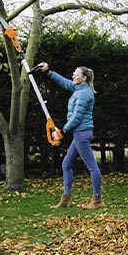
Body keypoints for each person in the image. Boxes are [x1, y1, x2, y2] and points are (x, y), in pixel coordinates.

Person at [35, 62, 102, 209]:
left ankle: (97, 200)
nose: (73, 76)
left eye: (76, 74)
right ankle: (66, 200)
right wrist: (49, 72)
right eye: (73, 74)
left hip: (81, 134)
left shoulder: (84, 94)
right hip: (79, 133)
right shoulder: (79, 88)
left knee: (92, 167)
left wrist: (62, 132)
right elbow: (65, 82)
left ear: (84, 78)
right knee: (66, 164)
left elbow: (77, 118)